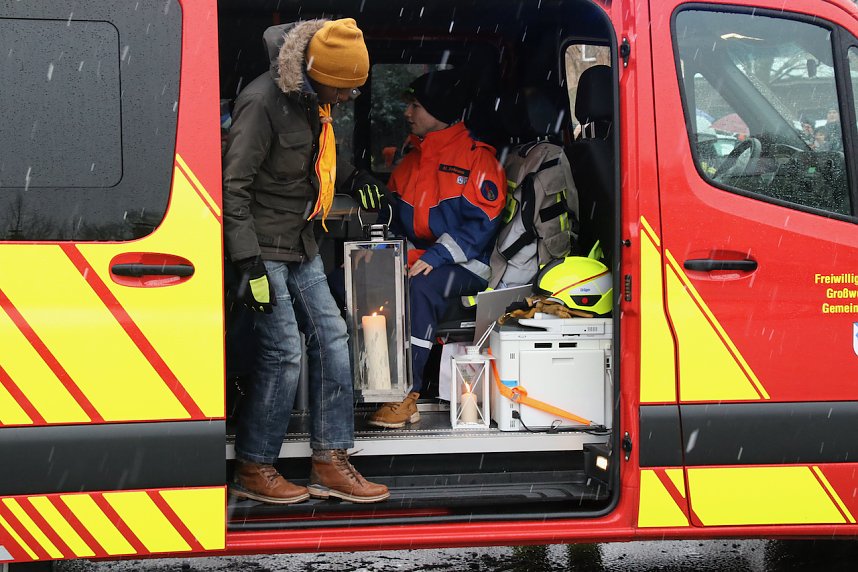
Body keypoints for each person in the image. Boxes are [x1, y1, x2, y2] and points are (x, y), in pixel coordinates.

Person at [222, 18, 389, 504]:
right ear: (316, 73)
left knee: (334, 339)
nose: (345, 100)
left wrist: (356, 176)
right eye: (341, 91)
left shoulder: (316, 99)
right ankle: (255, 465)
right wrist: (248, 263)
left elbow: (314, 161)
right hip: (263, 246)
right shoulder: (261, 102)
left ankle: (329, 460)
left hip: (302, 240)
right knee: (283, 353)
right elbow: (234, 187)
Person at [365, 70, 507, 429]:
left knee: (421, 289)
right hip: (418, 259)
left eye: (415, 106)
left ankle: (405, 395)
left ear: (439, 110)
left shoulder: (478, 160)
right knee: (351, 282)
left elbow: (480, 227)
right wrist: (383, 255)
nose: (407, 113)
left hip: (469, 266)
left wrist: (435, 257)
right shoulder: (413, 157)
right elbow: (395, 217)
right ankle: (369, 386)